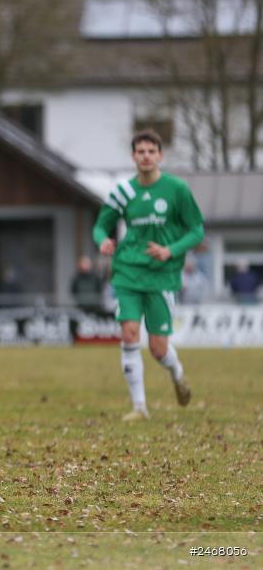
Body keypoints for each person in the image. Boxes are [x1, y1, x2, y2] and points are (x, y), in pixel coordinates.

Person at [93, 130, 204, 421]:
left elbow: (197, 230)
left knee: (157, 348)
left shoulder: (176, 190)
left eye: (150, 151)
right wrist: (103, 240)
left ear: (159, 156)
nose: (145, 156)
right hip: (128, 271)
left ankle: (177, 373)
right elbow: (100, 226)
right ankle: (139, 407)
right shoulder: (123, 192)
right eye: (140, 151)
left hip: (162, 276)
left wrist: (170, 250)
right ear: (133, 157)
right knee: (129, 333)